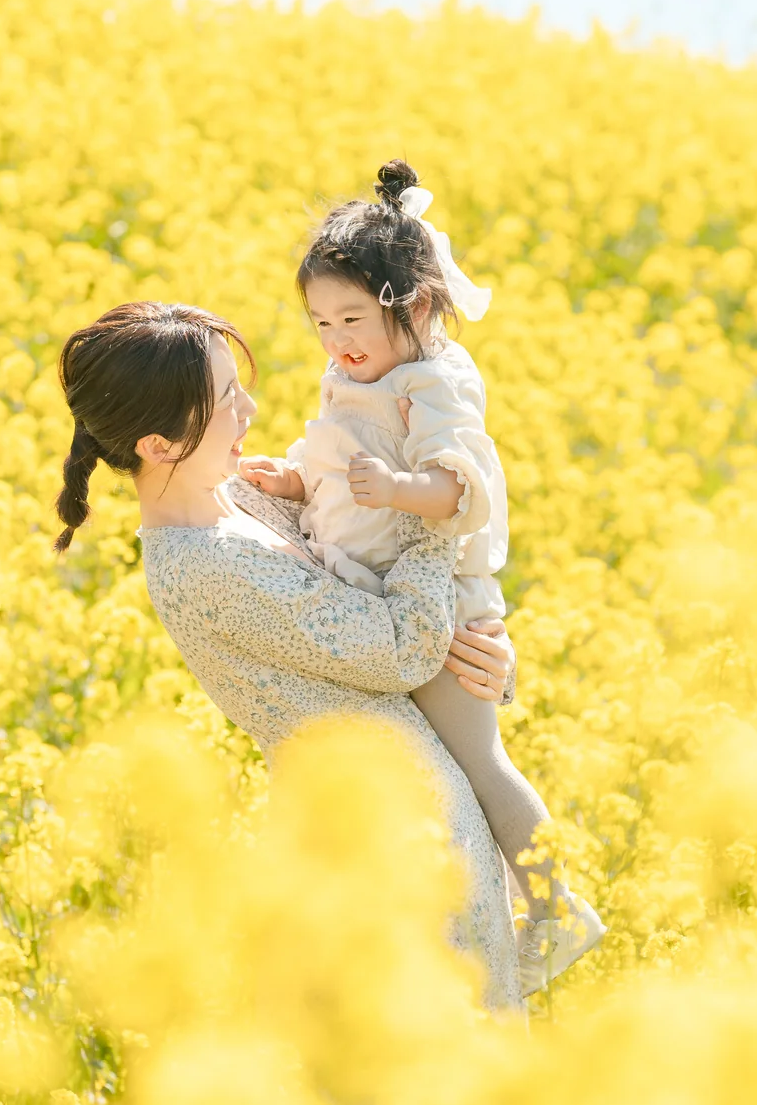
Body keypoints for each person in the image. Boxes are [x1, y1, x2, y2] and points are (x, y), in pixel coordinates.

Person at [53, 300, 524, 1009]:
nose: (251, 406)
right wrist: (432, 511)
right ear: (156, 443)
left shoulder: (242, 498)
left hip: (426, 826)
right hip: (379, 857)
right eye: (224, 398)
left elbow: (380, 583)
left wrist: (485, 653)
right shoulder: (203, 566)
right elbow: (401, 648)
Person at [237, 160, 603, 993]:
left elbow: (463, 483)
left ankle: (556, 907)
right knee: (442, 782)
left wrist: (403, 490)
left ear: (419, 305)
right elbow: (334, 459)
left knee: (480, 765)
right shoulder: (352, 377)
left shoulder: (432, 382)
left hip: (446, 615)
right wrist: (293, 481)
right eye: (321, 322)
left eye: (354, 317)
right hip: (388, 606)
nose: (337, 339)